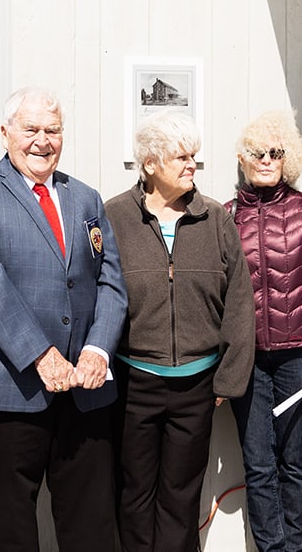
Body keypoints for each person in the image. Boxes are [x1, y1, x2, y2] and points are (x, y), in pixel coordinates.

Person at [0, 86, 128, 551]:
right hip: (11, 387)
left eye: (53, 130)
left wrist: (98, 349)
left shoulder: (85, 197)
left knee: (90, 527)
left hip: (84, 391)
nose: (42, 141)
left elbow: (111, 282)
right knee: (13, 532)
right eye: (31, 130)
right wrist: (40, 354)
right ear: (6, 134)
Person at [104, 109, 254, 552]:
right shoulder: (114, 216)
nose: (193, 165)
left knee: (181, 494)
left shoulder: (215, 218)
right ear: (150, 164)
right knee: (133, 491)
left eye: (195, 156)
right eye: (181, 157)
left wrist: (228, 376)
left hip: (197, 383)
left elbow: (240, 301)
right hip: (134, 381)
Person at [227, 111, 302, 552]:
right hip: (248, 360)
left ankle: (296, 546)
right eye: (257, 152)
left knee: (293, 460)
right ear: (244, 157)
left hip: (299, 357)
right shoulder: (227, 216)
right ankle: (271, 548)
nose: (266, 160)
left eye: (275, 152)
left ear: (288, 157)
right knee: (258, 463)